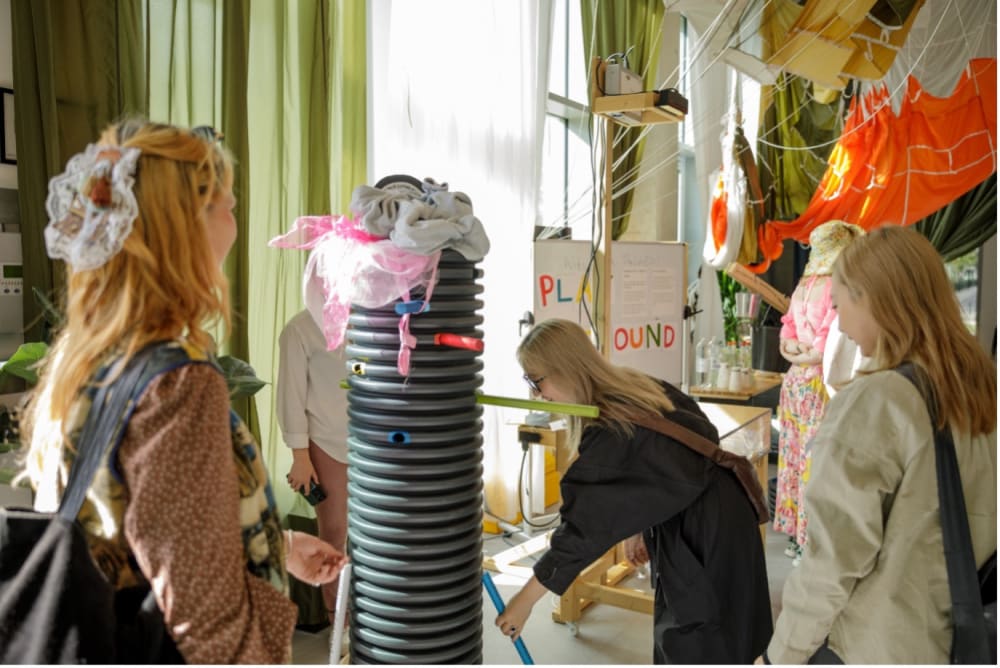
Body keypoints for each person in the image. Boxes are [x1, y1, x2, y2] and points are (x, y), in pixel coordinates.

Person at [21, 119, 347, 664]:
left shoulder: (82, 359)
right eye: (226, 206)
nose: (235, 221)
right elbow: (207, 623)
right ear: (184, 229)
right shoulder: (178, 386)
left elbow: (132, 532)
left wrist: (278, 545)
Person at [763, 225, 997, 664]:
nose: (839, 323)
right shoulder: (977, 385)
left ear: (873, 299)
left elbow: (831, 563)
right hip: (959, 635)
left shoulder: (877, 401)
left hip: (885, 641)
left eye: (839, 303)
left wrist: (780, 656)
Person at [495, 318, 772, 664]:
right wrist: (640, 523)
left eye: (536, 381)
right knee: (717, 633)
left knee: (701, 640)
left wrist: (523, 602)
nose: (537, 394)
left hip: (703, 534)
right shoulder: (637, 386)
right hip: (723, 515)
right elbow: (666, 460)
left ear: (565, 368)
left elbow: (580, 533)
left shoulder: (611, 430)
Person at [773, 220, 863, 565]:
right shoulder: (835, 286)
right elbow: (825, 342)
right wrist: (804, 352)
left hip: (797, 379)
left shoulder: (805, 284)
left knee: (795, 457)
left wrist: (792, 351)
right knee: (813, 457)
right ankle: (809, 539)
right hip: (817, 380)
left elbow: (789, 330)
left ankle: (797, 536)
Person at [277, 309, 349, 625]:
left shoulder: (369, 320)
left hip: (372, 438)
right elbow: (290, 395)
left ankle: (372, 617)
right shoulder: (299, 329)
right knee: (334, 535)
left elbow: (359, 373)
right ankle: (339, 623)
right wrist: (300, 456)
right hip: (325, 441)